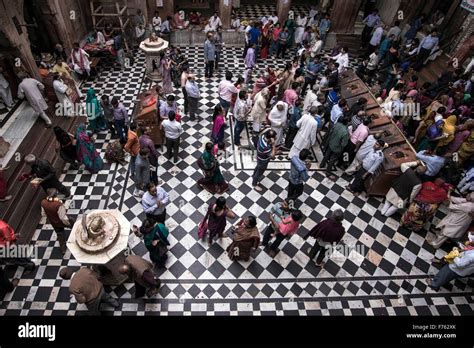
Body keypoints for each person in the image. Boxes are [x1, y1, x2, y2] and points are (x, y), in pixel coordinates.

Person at [41, 188, 72, 254]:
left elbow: (43, 214)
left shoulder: (43, 202)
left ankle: (63, 249)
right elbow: (63, 218)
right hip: (61, 221)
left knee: (60, 234)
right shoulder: (58, 205)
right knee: (73, 224)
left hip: (53, 222)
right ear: (55, 194)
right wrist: (68, 224)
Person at [320, 117, 349, 181]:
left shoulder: (337, 124)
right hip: (337, 148)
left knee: (326, 155)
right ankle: (328, 172)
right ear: (347, 123)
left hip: (331, 143)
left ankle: (322, 164)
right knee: (332, 160)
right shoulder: (345, 132)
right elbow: (344, 144)